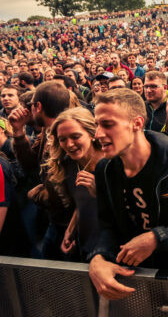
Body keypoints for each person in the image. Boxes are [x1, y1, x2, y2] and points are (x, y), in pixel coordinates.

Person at [88, 89, 168, 300]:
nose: (97, 134)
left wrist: (157, 237)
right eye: (96, 125)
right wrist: (98, 257)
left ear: (137, 123)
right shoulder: (105, 169)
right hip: (134, 281)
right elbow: (107, 225)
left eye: (107, 124)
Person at [8, 81, 72, 259]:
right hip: (56, 221)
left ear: (38, 106)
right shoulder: (46, 131)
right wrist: (19, 132)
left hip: (71, 225)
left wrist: (43, 195)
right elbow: (30, 165)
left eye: (31, 105)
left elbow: (69, 190)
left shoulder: (67, 136)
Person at [48, 107, 104, 261]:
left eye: (75, 136)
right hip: (86, 243)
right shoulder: (69, 164)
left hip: (111, 247)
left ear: (92, 134)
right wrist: (70, 231)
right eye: (63, 139)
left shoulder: (111, 163)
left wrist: (100, 192)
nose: (69, 144)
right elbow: (82, 203)